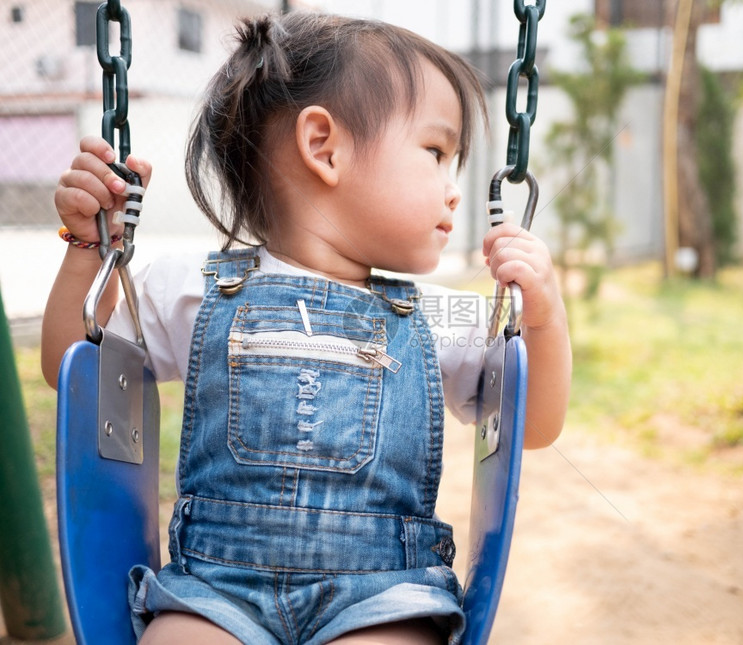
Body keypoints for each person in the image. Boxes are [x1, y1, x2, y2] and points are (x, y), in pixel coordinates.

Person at [42, 11, 571, 645]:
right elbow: (71, 365)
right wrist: (86, 247)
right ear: (324, 147)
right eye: (435, 152)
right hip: (215, 592)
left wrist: (543, 316)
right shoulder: (188, 285)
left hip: (383, 599)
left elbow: (532, 427)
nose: (454, 190)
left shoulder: (438, 314)